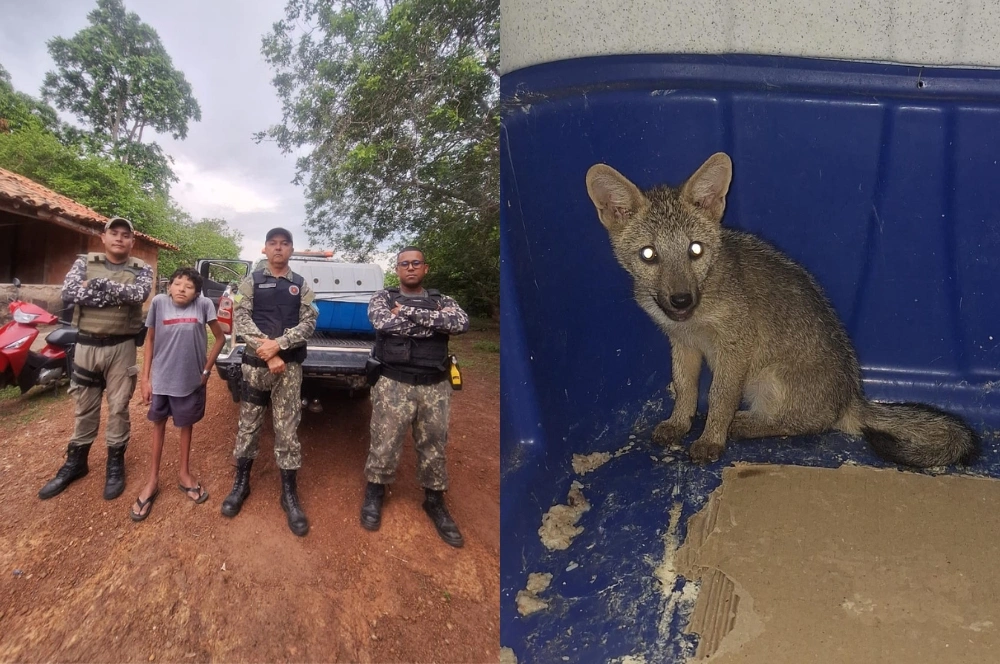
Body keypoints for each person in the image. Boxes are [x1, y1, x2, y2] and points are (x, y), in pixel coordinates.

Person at [361, 246, 470, 547]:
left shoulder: (442, 300)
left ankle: (434, 500)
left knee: (434, 445)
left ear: (425, 268)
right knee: (384, 442)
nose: (410, 268)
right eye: (404, 264)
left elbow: (460, 323)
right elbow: (384, 323)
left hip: (435, 386)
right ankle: (375, 492)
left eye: (416, 263)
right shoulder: (383, 299)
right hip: (393, 383)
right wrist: (433, 323)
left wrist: (408, 313)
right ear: (397, 269)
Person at [39, 216, 153, 501]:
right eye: (114, 233)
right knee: (84, 405)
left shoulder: (142, 268)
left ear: (132, 241)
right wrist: (116, 295)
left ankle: (115, 464)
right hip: (87, 345)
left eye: (125, 235)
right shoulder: (83, 263)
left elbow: (138, 295)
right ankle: (76, 462)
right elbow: (70, 292)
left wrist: (98, 284)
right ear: (103, 237)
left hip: (122, 347)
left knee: (119, 406)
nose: (119, 238)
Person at [221, 228, 317, 536]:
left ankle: (289, 494)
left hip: (288, 369)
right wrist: (267, 350)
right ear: (265, 249)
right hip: (255, 367)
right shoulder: (249, 282)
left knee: (287, 429)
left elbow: (310, 322)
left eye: (284, 244)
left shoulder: (301, 284)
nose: (278, 248)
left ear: (291, 249)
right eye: (273, 244)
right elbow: (240, 316)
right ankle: (241, 484)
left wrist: (280, 345)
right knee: (248, 425)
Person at [130, 267, 226, 521]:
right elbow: (150, 340)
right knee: (158, 425)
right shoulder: (159, 303)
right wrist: (145, 379)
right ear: (169, 286)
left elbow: (220, 338)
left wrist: (206, 371)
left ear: (196, 293)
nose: (182, 289)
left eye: (189, 286)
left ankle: (184, 474)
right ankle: (152, 480)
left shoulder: (204, 305)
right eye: (177, 283)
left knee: (186, 425)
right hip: (162, 380)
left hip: (190, 381)